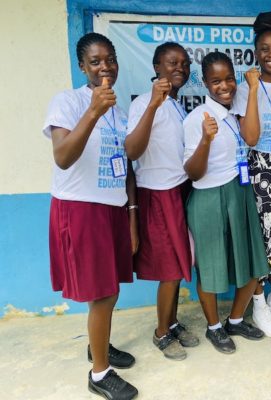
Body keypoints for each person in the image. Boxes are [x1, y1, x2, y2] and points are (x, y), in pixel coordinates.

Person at [43, 32, 138, 399]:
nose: (104, 68)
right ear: (82, 66)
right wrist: (93, 111)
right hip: (81, 208)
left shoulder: (119, 110)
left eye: (109, 59)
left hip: (112, 209)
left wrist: (131, 217)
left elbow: (126, 168)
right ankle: (99, 373)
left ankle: (100, 345)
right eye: (95, 61)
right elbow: (63, 156)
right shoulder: (67, 101)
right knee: (100, 293)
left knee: (110, 289)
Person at [183, 52, 269, 354]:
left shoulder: (237, 111)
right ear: (205, 83)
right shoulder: (197, 119)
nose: (224, 86)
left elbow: (253, 138)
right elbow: (193, 173)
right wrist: (206, 140)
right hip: (208, 197)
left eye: (229, 79)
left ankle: (234, 320)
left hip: (239, 193)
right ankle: (214, 327)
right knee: (210, 266)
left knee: (250, 261)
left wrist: (254, 89)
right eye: (216, 81)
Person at [125, 42, 199, 360]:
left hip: (178, 191)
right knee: (169, 269)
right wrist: (153, 104)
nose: (179, 67)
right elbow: (132, 150)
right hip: (156, 194)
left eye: (184, 63)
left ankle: (171, 321)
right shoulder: (145, 102)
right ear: (156, 67)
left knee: (181, 262)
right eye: (171, 62)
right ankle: (160, 333)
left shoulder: (177, 105)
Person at [232, 11, 271, 338]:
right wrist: (254, 89)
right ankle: (257, 303)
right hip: (257, 170)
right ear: (256, 53)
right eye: (265, 48)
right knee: (259, 238)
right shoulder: (244, 90)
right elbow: (251, 138)